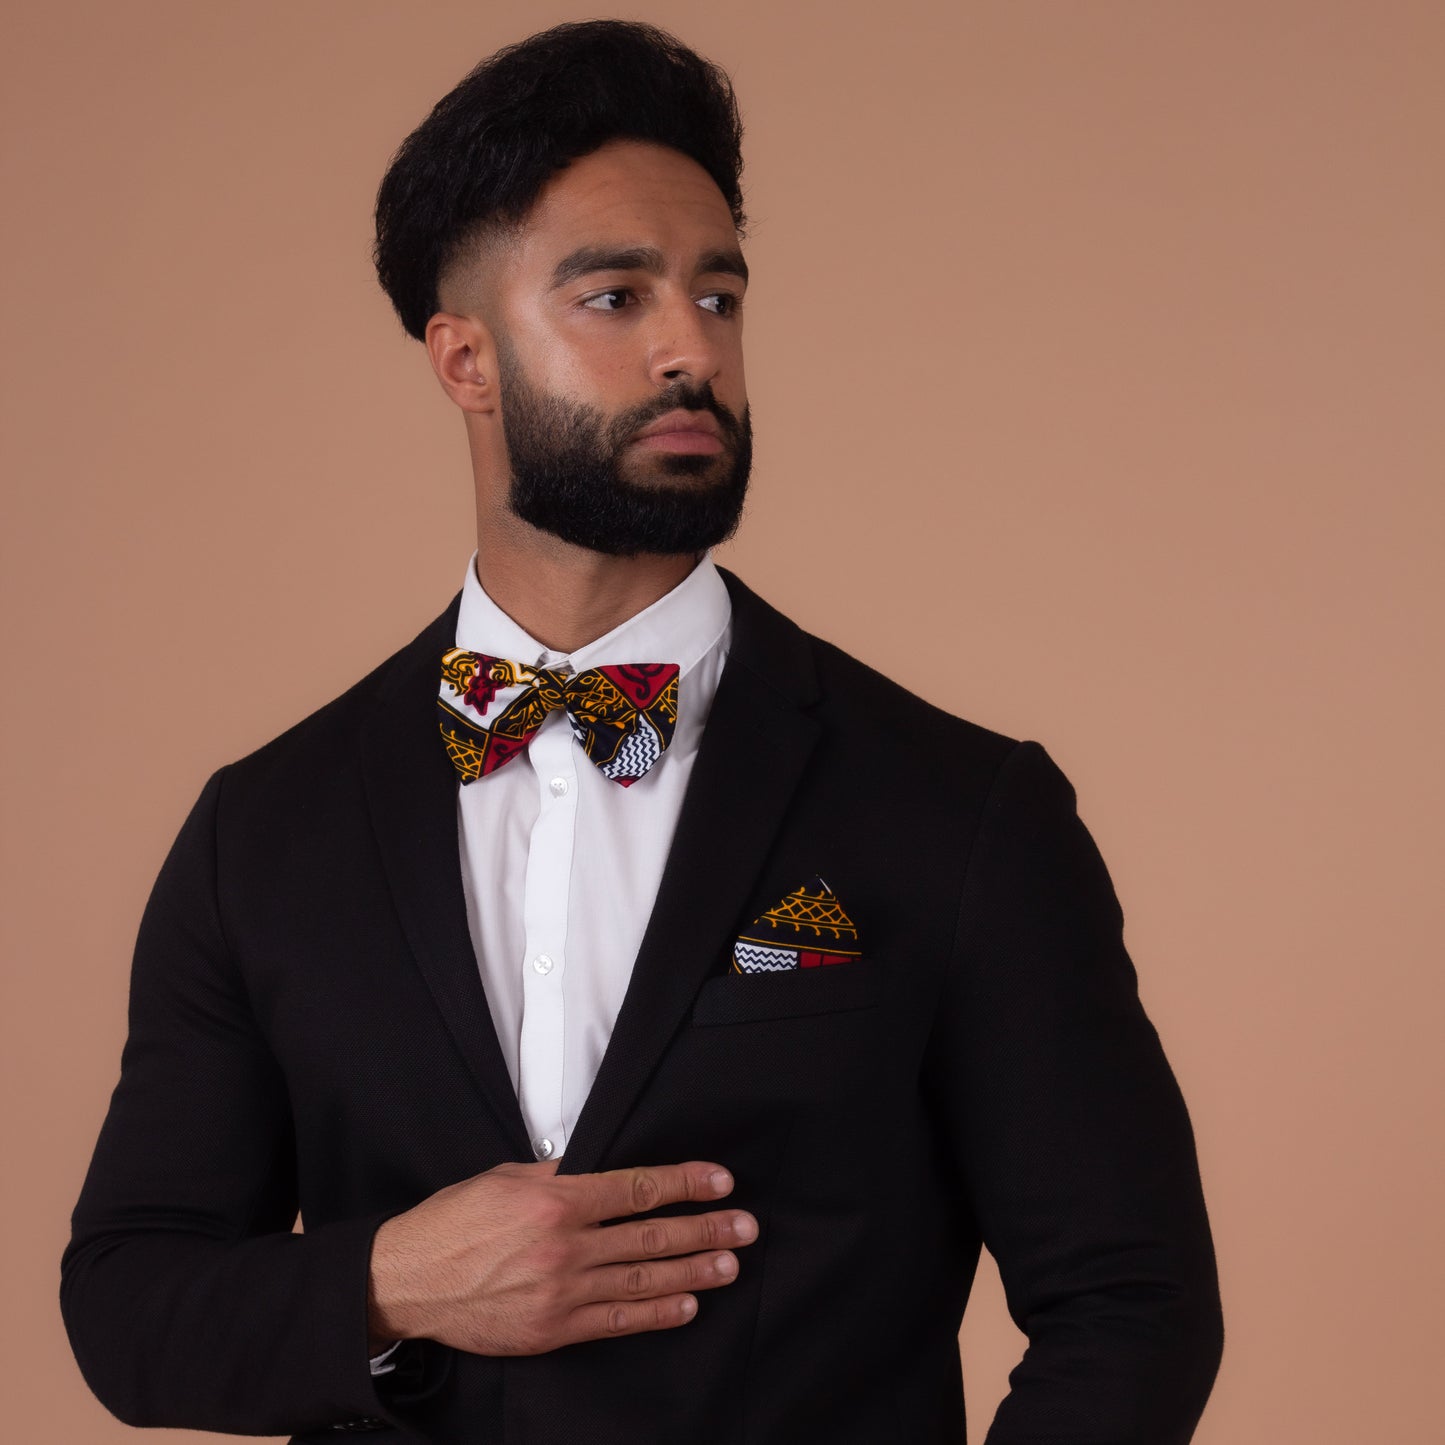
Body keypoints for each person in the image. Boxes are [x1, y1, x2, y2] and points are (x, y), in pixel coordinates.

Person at [61, 19, 1223, 1444]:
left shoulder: (961, 807)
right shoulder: (265, 829)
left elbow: (1132, 1297)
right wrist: (388, 1281)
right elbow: (128, 1300)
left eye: (718, 296)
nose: (692, 349)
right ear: (464, 360)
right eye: (615, 297)